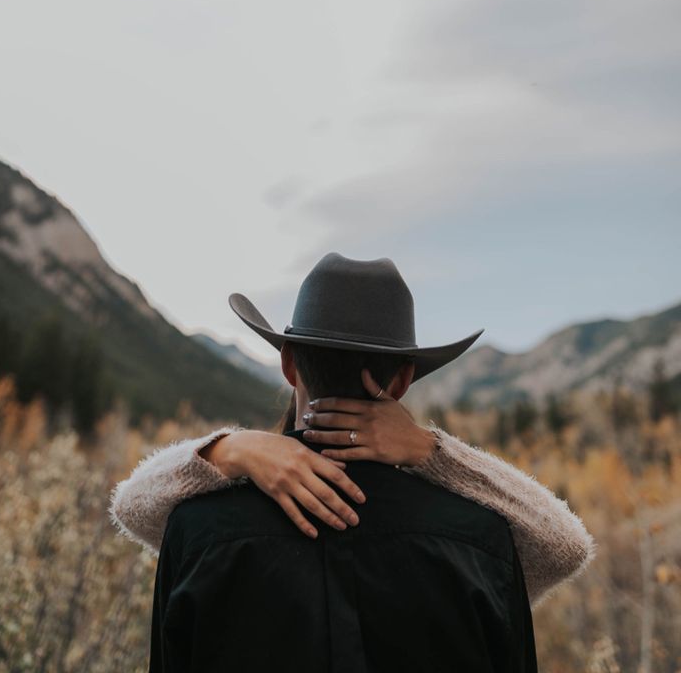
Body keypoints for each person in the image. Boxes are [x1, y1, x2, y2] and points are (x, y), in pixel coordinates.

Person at [111, 253, 597, 671]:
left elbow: (132, 506)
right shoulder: (481, 538)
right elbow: (565, 545)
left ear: (288, 364)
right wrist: (436, 453)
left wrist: (225, 449)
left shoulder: (197, 529)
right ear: (405, 380)